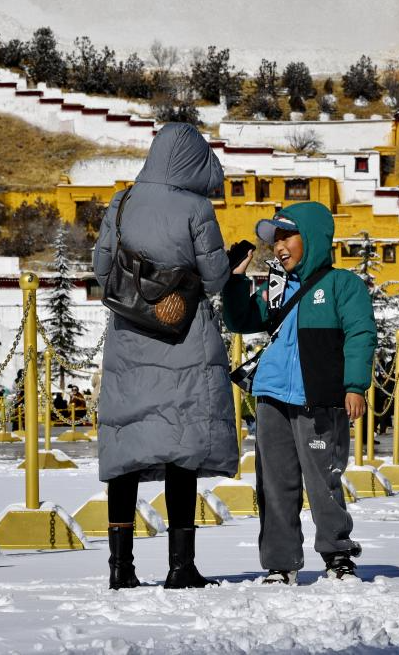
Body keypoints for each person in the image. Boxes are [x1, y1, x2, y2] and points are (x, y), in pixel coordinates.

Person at [93, 122, 238, 590]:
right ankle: (181, 566)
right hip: (182, 338)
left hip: (129, 338)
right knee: (182, 450)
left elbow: (101, 269)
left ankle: (121, 567)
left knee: (126, 450)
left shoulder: (123, 201)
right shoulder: (196, 207)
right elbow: (213, 279)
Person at [223, 201, 376, 583]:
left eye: (287, 237)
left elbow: (360, 335)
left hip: (318, 398)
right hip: (272, 396)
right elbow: (241, 320)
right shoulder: (276, 288)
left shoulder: (343, 286)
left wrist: (355, 386)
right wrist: (235, 280)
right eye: (275, 240)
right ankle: (281, 563)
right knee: (274, 484)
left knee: (324, 481)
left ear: (311, 238)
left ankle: (337, 555)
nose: (279, 247)